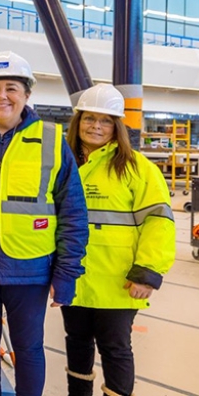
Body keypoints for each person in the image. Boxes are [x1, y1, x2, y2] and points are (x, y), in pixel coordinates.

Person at [0, 51, 89, 396]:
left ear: (27, 94)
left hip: (30, 268)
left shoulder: (53, 140)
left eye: (11, 88)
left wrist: (66, 273)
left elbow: (73, 213)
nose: (2, 96)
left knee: (28, 348)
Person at [62, 84, 175, 396]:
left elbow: (159, 222)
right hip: (74, 278)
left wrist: (147, 272)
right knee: (76, 343)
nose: (96, 126)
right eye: (89, 119)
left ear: (117, 126)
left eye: (106, 120)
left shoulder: (137, 167)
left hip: (118, 280)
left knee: (115, 348)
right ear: (78, 121)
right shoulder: (63, 162)